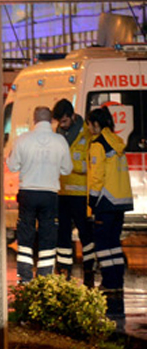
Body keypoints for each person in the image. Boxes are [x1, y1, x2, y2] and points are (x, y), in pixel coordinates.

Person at [7, 106, 73, 284]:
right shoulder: (60, 141)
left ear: (34, 120)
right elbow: (67, 169)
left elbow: (12, 166)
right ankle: (45, 275)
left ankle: (25, 276)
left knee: (26, 233)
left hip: (28, 192)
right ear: (51, 120)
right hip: (50, 193)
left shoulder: (23, 140)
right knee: (48, 234)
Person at [86, 106, 133, 292]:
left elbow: (98, 176)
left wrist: (92, 200)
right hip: (120, 201)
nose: (89, 129)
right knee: (114, 243)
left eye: (90, 124)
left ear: (96, 124)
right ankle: (117, 281)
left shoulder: (98, 145)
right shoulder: (117, 141)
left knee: (104, 245)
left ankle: (107, 282)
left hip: (105, 201)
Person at [52, 99, 95, 286]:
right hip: (61, 194)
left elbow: (91, 164)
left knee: (86, 234)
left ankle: (89, 267)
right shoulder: (57, 135)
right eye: (59, 122)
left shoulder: (87, 134)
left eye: (64, 121)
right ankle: (64, 269)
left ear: (72, 116)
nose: (61, 125)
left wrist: (70, 165)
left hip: (80, 195)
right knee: (62, 235)